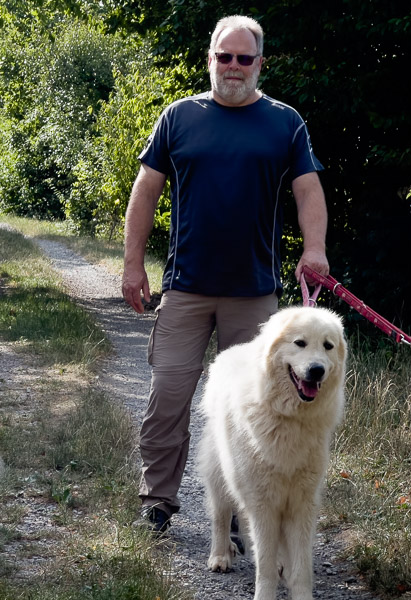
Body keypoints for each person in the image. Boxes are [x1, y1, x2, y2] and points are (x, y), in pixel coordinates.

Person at [122, 16, 330, 533]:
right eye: (224, 56)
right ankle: (158, 500)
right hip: (186, 287)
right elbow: (145, 190)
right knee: (169, 396)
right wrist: (132, 264)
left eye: (243, 58)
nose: (233, 67)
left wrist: (316, 248)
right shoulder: (178, 117)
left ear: (260, 63)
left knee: (252, 406)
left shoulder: (285, 123)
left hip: (255, 294)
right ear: (210, 58)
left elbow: (307, 190)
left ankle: (243, 510)